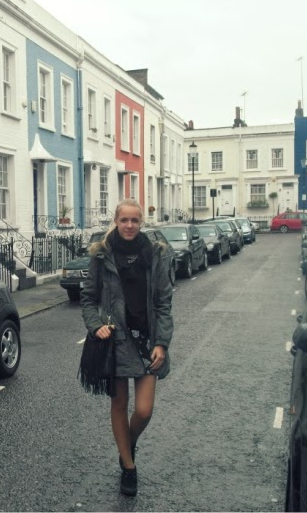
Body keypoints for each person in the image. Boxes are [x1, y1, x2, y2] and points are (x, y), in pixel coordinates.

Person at [80, 199, 174, 496]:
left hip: (147, 341)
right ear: (116, 221)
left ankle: (127, 445)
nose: (129, 225)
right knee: (119, 405)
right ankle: (129, 468)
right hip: (116, 341)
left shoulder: (155, 254)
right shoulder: (101, 254)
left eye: (135, 220)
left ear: (141, 222)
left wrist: (161, 343)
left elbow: (163, 302)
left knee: (144, 410)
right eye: (124, 220)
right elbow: (88, 297)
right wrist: (96, 325)